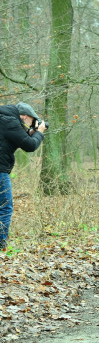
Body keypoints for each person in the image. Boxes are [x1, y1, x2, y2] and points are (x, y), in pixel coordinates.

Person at [0, 102, 47, 250]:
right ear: (25, 116)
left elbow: (15, 139)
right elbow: (30, 146)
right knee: (5, 208)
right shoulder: (11, 122)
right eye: (31, 121)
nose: (30, 125)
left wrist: (31, 133)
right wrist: (39, 132)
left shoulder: (4, 119)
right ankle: (1, 245)